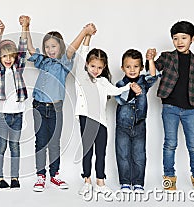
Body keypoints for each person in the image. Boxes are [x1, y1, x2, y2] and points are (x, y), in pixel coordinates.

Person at [146, 20, 194, 194]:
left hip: (190, 110)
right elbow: (153, 72)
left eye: (184, 38)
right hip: (169, 107)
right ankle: (169, 179)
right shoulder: (167, 57)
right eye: (175, 38)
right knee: (170, 144)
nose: (179, 42)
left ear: (192, 39)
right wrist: (150, 60)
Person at [74, 25, 142, 200]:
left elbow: (116, 91)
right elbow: (83, 52)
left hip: (101, 122)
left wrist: (129, 86)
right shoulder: (81, 78)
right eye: (92, 66)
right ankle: (87, 181)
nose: (95, 70)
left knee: (101, 152)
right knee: (87, 151)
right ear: (87, 65)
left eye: (99, 67)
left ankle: (100, 183)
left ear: (104, 68)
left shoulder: (103, 82)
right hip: (86, 120)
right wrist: (87, 35)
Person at [26, 18, 92, 192]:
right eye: (47, 47)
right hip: (39, 106)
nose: (50, 50)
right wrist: (26, 27)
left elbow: (72, 49)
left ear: (60, 48)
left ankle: (54, 174)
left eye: (53, 46)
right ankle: (40, 176)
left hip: (56, 108)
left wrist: (84, 32)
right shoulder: (43, 61)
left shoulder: (65, 61)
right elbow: (31, 48)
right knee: (40, 141)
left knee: (54, 142)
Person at [0, 16, 29, 189]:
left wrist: (25, 27)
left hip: (18, 114)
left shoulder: (18, 68)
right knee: (2, 145)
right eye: (4, 56)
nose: (8, 59)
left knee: (15, 146)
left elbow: (23, 48)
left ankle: (14, 177)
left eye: (11, 56)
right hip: (3, 115)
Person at [115, 49, 157, 194]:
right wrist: (135, 92)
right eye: (128, 66)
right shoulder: (120, 84)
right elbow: (121, 99)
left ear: (141, 68)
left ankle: (138, 182)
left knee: (139, 156)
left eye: (136, 66)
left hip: (139, 126)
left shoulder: (143, 82)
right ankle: (125, 182)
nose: (132, 70)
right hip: (122, 126)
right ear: (122, 68)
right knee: (123, 155)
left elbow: (153, 76)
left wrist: (150, 60)